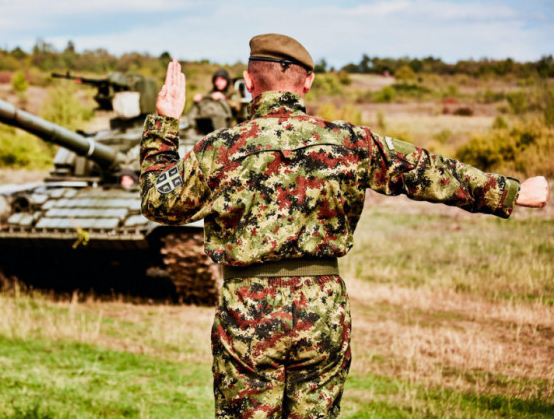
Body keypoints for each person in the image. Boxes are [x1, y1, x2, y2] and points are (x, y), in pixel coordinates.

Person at [139, 34, 549, 418]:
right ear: (308, 82)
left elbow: (158, 202)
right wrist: (511, 193)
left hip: (247, 307)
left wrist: (164, 125)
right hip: (323, 306)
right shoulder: (350, 141)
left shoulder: (220, 149)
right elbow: (428, 172)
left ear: (248, 83)